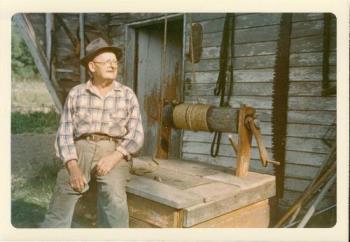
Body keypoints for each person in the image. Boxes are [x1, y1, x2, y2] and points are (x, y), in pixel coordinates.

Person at [41, 37, 144, 228]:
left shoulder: (127, 94)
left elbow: (136, 134)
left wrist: (114, 157)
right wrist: (73, 168)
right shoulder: (76, 93)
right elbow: (64, 134)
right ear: (92, 66)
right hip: (80, 149)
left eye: (115, 62)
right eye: (107, 62)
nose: (113, 66)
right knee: (64, 194)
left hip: (114, 150)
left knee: (114, 199)